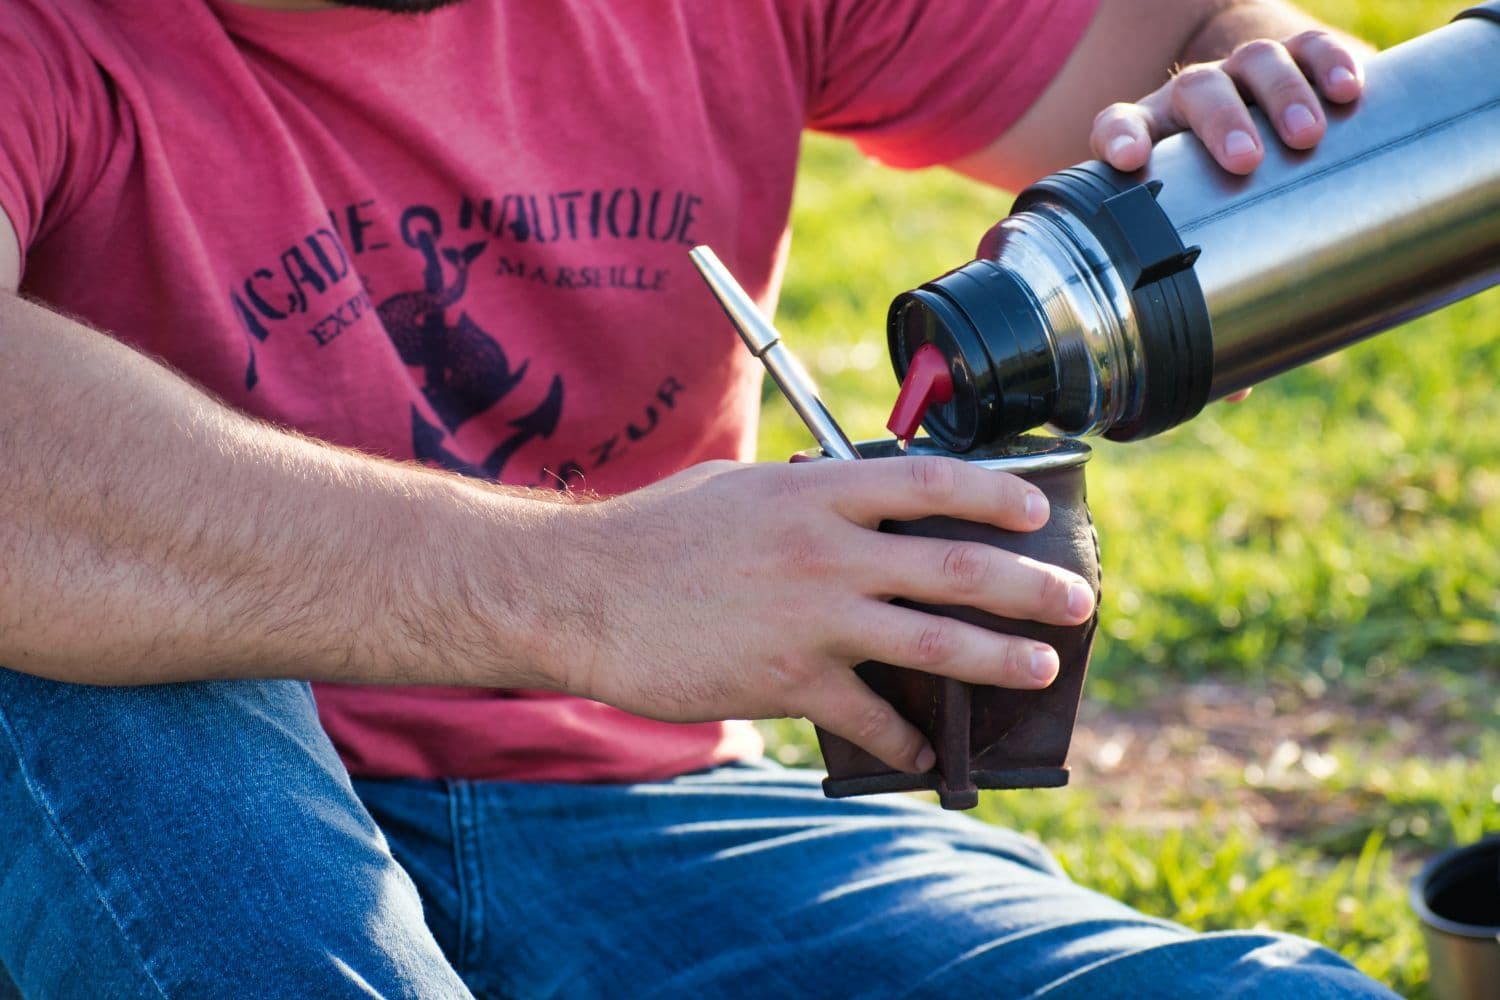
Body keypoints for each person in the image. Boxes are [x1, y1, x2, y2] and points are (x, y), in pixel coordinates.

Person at [0, 0, 1397, 996]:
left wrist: (1231, 80)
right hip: (146, 770)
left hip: (633, 805)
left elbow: (1160, 42)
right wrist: (584, 588)